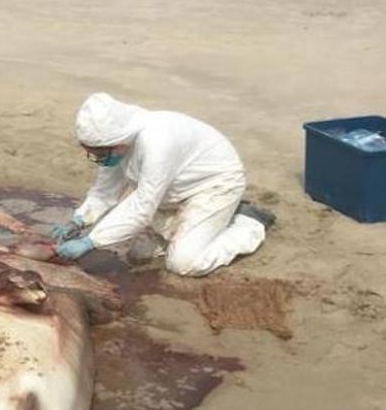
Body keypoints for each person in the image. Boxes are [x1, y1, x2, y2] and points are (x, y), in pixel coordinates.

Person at [53, 93, 275, 276]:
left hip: (213, 185)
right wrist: (80, 219)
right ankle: (197, 225)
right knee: (140, 253)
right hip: (172, 188)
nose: (98, 158)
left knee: (183, 263)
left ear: (117, 142)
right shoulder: (115, 144)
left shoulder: (157, 142)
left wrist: (91, 241)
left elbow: (142, 206)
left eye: (100, 153)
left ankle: (248, 222)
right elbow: (105, 190)